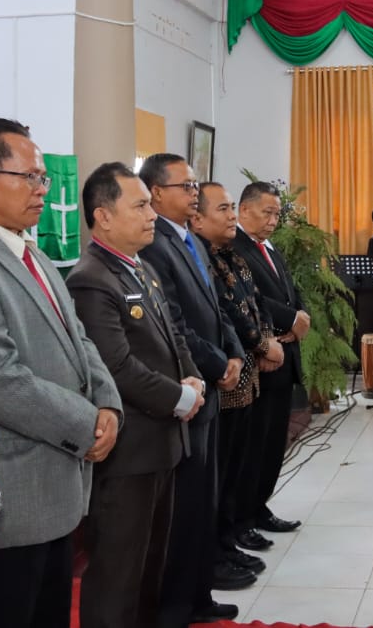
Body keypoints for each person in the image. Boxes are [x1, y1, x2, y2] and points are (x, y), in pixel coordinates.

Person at [0, 118, 121, 628]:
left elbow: (79, 338)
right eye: (30, 177)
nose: (43, 189)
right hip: (15, 490)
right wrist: (86, 425)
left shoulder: (29, 249)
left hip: (57, 484)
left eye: (43, 178)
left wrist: (107, 403)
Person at [66, 162, 205, 628]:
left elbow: (174, 336)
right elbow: (116, 366)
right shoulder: (91, 278)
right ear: (103, 217)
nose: (151, 215)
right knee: (118, 574)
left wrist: (193, 378)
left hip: (161, 445)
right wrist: (179, 398)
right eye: (140, 205)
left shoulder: (139, 266)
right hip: (129, 451)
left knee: (149, 569)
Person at [138, 154, 251, 625]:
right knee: (185, 507)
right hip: (188, 384)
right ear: (157, 192)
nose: (193, 192)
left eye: (195, 184)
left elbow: (215, 305)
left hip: (209, 379)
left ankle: (199, 593)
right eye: (185, 186)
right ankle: (178, 603)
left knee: (204, 498)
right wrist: (215, 361)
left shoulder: (190, 240)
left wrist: (234, 351)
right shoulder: (154, 244)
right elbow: (176, 321)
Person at [191, 182, 284, 576]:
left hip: (248, 376)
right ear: (197, 218)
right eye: (224, 209)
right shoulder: (203, 257)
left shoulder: (232, 256)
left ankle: (231, 538)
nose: (231, 217)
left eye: (232, 208)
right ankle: (220, 546)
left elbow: (257, 305)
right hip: (225, 378)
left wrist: (264, 342)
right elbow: (225, 311)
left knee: (239, 462)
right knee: (224, 469)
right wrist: (260, 346)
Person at [233, 182, 308, 536]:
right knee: (254, 444)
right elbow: (253, 298)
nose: (274, 220)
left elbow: (292, 292)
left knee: (274, 443)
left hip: (285, 353)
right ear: (243, 210)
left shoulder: (269, 248)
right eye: (267, 212)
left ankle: (260, 506)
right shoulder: (234, 248)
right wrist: (290, 319)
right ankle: (243, 515)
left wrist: (300, 318)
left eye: (277, 213)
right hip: (261, 359)